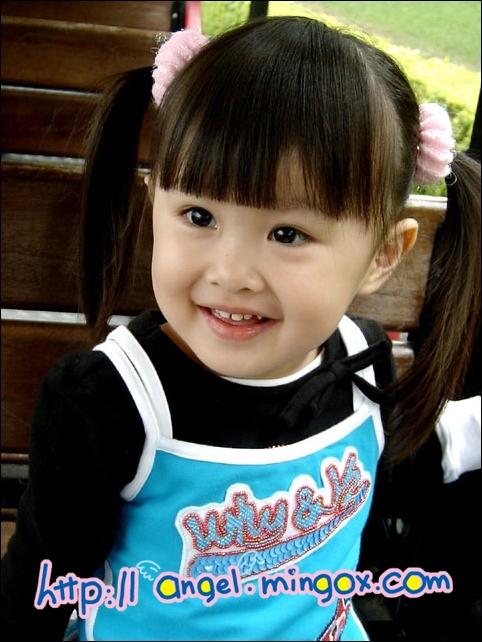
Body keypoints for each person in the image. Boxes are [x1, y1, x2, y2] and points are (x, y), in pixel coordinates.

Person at [1, 17, 480, 641]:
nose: (230, 273)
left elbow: (390, 468)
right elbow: (38, 589)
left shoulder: (362, 361)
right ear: (155, 203)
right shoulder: (110, 401)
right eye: (199, 215)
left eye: (288, 234)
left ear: (383, 256)